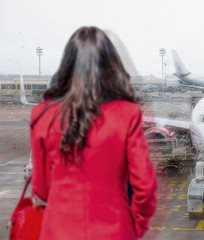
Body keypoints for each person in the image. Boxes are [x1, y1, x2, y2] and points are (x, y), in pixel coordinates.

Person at [30, 26, 157, 240]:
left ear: (67, 65)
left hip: (58, 231)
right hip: (115, 230)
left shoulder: (41, 115)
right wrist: (136, 225)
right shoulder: (128, 114)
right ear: (111, 66)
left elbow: (41, 190)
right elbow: (145, 186)